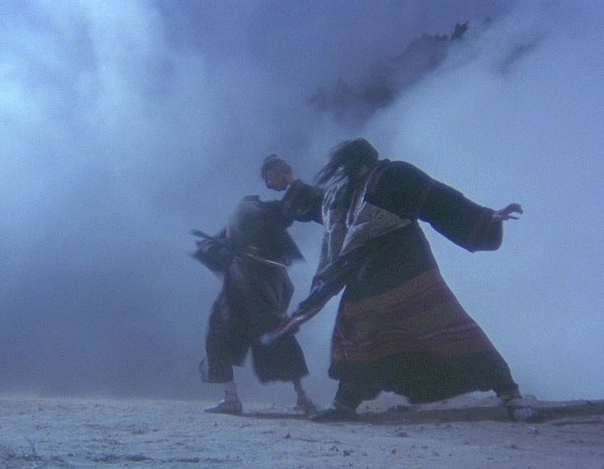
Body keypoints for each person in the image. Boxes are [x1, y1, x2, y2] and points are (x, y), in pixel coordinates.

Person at [300, 138, 538, 423]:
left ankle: (509, 393)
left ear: (362, 160)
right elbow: (326, 216)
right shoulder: (342, 193)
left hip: (407, 268)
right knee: (358, 336)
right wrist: (292, 192)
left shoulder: (394, 175)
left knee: (447, 326)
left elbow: (438, 199)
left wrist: (487, 218)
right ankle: (344, 404)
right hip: (365, 275)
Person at [191, 157, 322, 415]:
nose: (269, 185)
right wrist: (212, 248)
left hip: (262, 283)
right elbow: (221, 241)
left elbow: (299, 207)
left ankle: (302, 397)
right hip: (241, 282)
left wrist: (291, 181)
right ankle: (232, 398)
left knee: (276, 332)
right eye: (269, 179)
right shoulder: (245, 210)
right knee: (220, 331)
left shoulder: (269, 211)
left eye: (270, 178)